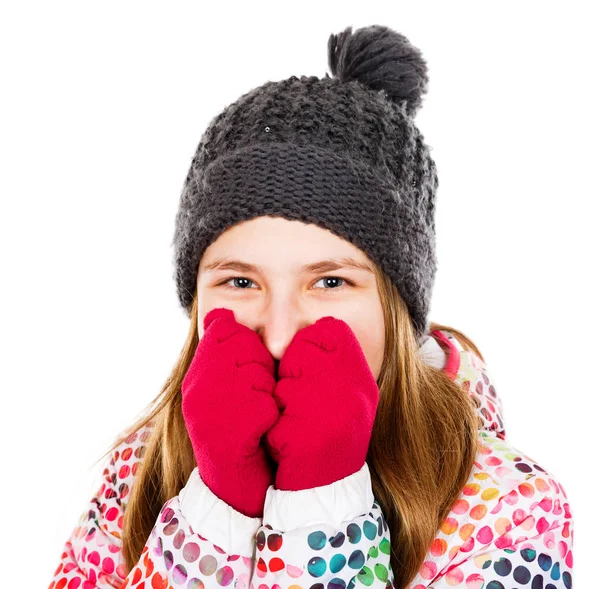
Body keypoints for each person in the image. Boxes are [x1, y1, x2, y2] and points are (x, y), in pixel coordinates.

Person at [47, 24, 573, 589]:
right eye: (240, 283)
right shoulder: (139, 474)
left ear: (396, 303)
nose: (277, 334)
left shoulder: (510, 508)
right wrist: (213, 515)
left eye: (330, 282)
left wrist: (322, 504)